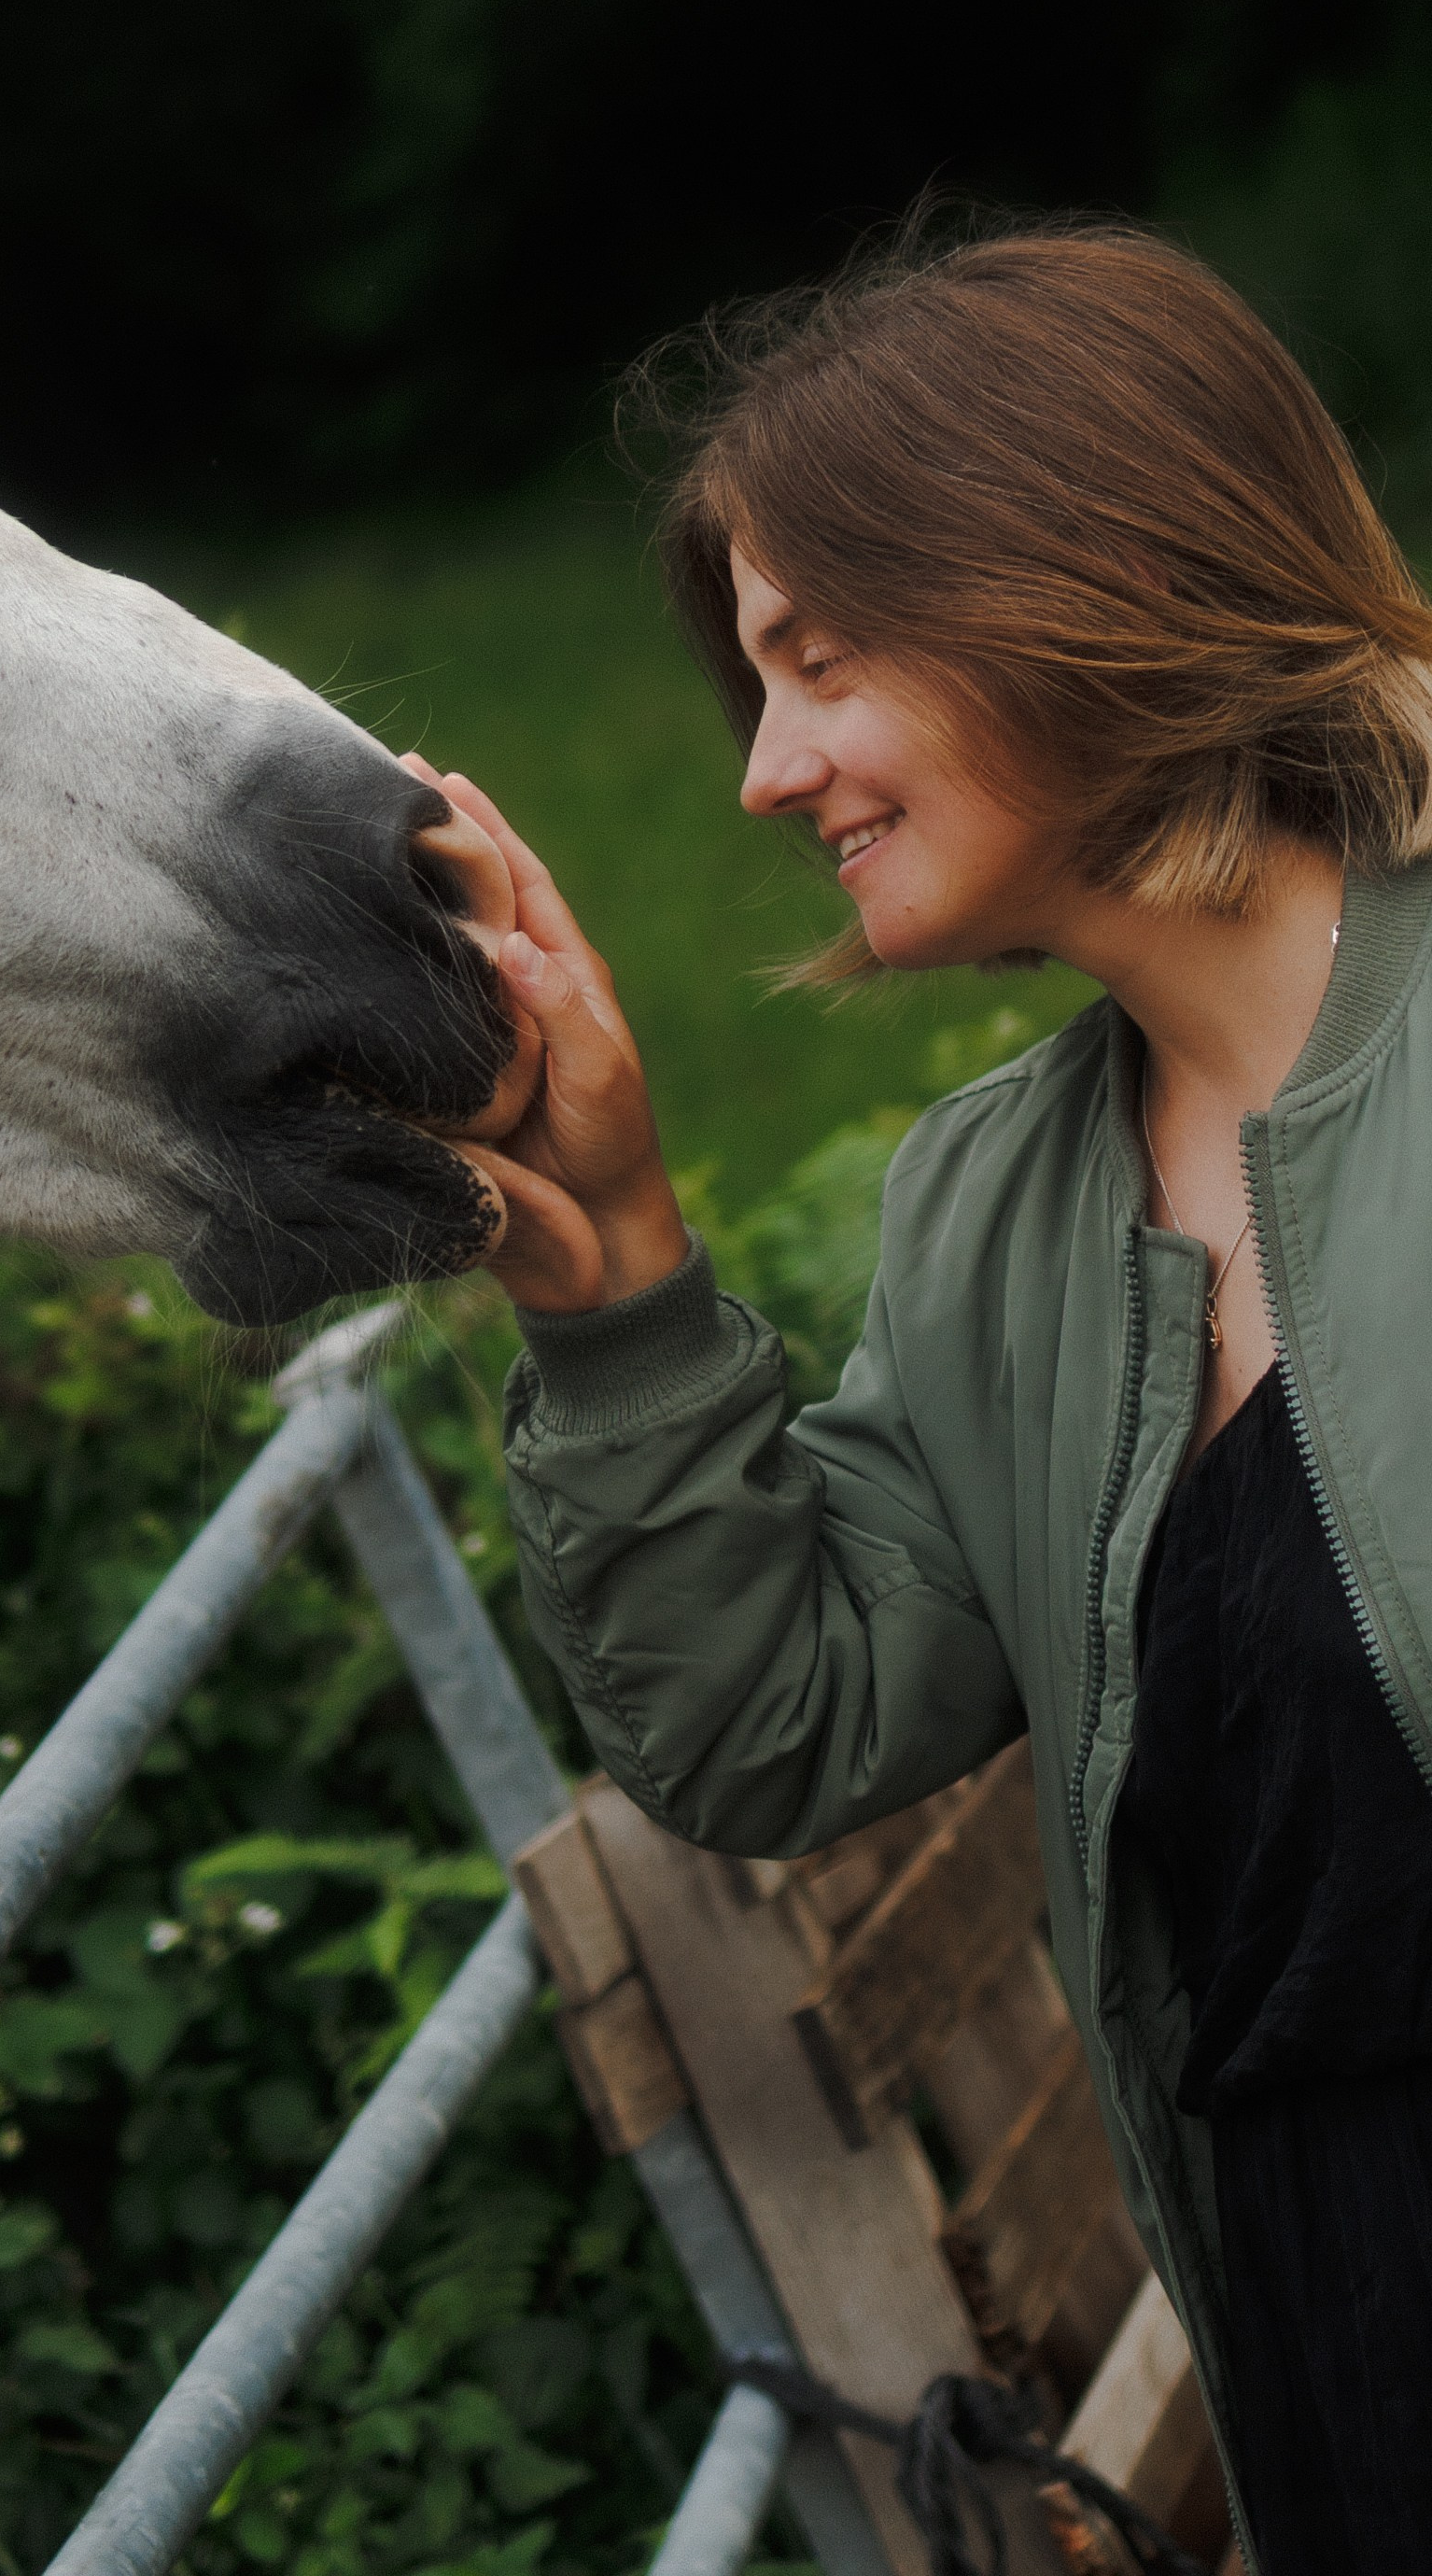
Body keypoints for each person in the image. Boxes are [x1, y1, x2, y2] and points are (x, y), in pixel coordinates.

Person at [416, 228, 1432, 2574]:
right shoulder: (996, 1212)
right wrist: (618, 1274)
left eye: (821, 663)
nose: (766, 774)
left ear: (1080, 582)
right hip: (1339, 2360)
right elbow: (780, 1719)